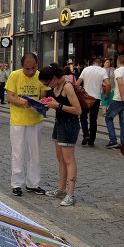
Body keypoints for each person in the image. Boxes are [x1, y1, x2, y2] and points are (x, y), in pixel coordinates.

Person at [39, 63, 82, 206]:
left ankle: (70, 194)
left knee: (69, 160)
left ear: (54, 78)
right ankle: (61, 189)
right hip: (59, 124)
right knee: (61, 159)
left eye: (48, 82)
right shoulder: (57, 86)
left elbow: (78, 110)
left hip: (69, 125)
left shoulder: (67, 86)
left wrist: (58, 106)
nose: (48, 86)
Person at [6, 52, 48, 196]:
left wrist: (42, 102)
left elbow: (43, 95)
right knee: (18, 153)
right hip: (18, 120)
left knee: (35, 154)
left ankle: (33, 183)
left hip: (36, 120)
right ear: (21, 66)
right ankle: (17, 183)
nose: (30, 72)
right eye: (27, 69)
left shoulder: (40, 76)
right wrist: (22, 102)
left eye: (33, 68)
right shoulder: (14, 75)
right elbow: (9, 96)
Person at [75, 58, 108, 147]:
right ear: (100, 63)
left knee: (83, 117)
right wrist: (106, 94)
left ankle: (86, 135)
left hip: (86, 97)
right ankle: (91, 140)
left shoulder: (86, 69)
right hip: (96, 98)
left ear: (93, 63)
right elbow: (108, 84)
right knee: (93, 120)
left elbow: (77, 83)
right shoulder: (103, 71)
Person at [105, 55, 124, 148]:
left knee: (108, 117)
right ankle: (123, 142)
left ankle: (113, 140)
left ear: (118, 61)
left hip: (118, 99)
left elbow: (120, 83)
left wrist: (122, 97)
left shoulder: (118, 70)